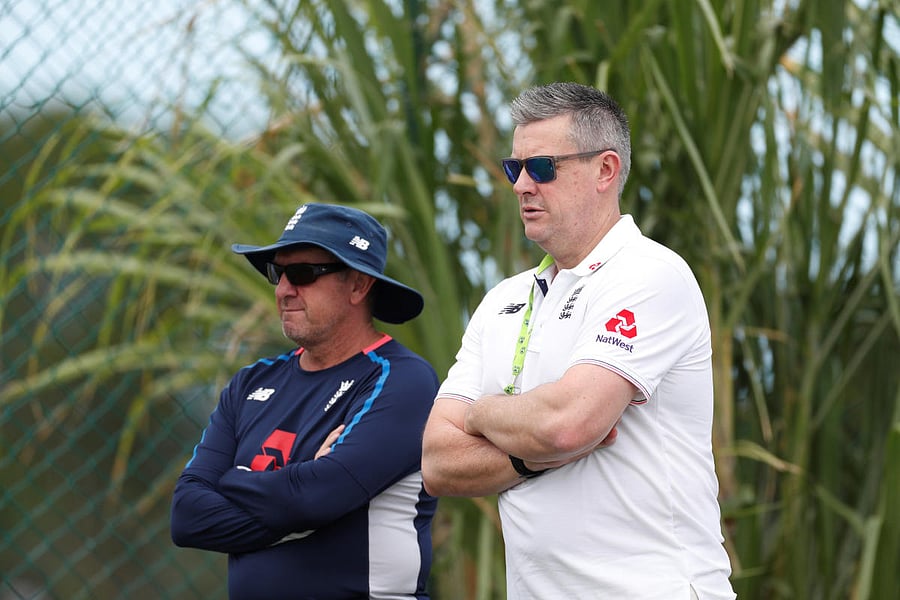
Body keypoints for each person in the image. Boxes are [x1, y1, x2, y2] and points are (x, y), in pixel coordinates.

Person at [421, 82, 736, 599]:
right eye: (513, 168)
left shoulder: (650, 273)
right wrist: (528, 455)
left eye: (542, 167)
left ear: (605, 171)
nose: (522, 185)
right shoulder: (504, 298)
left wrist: (480, 415)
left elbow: (568, 425)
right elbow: (436, 461)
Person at [171, 203, 439, 600]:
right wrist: (299, 488)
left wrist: (233, 479)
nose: (283, 290)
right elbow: (187, 517)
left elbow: (319, 496)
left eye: (302, 274)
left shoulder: (401, 379)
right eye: (278, 273)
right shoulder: (249, 383)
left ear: (358, 285)